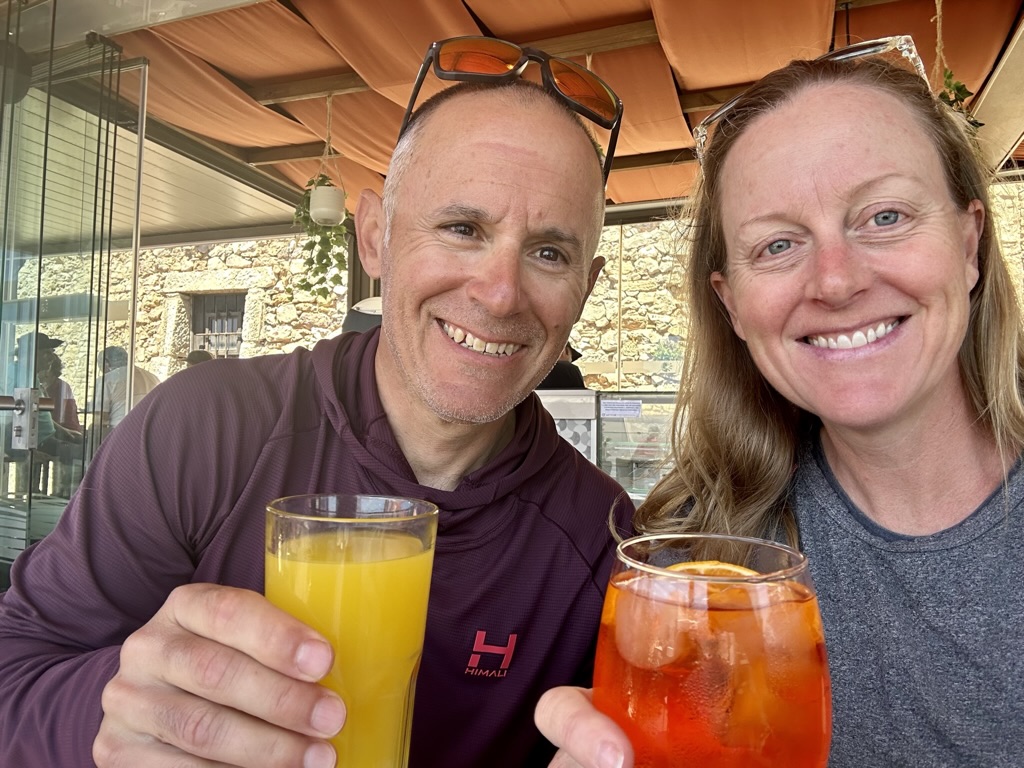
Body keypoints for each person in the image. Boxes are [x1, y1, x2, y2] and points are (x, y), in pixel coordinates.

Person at [0, 46, 633, 768]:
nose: (499, 293)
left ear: (586, 288)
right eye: (463, 229)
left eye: (549, 253)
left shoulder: (603, 541)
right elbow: (16, 674)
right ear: (375, 237)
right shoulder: (206, 429)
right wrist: (113, 715)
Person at [535, 36, 1024, 768]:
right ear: (732, 304)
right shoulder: (698, 560)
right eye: (777, 246)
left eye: (885, 216)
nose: (836, 281)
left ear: (969, 243)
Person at [94, 345, 161, 434]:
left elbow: (100, 419)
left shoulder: (106, 380)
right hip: (149, 432)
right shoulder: (152, 378)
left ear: (106, 363)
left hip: (120, 432)